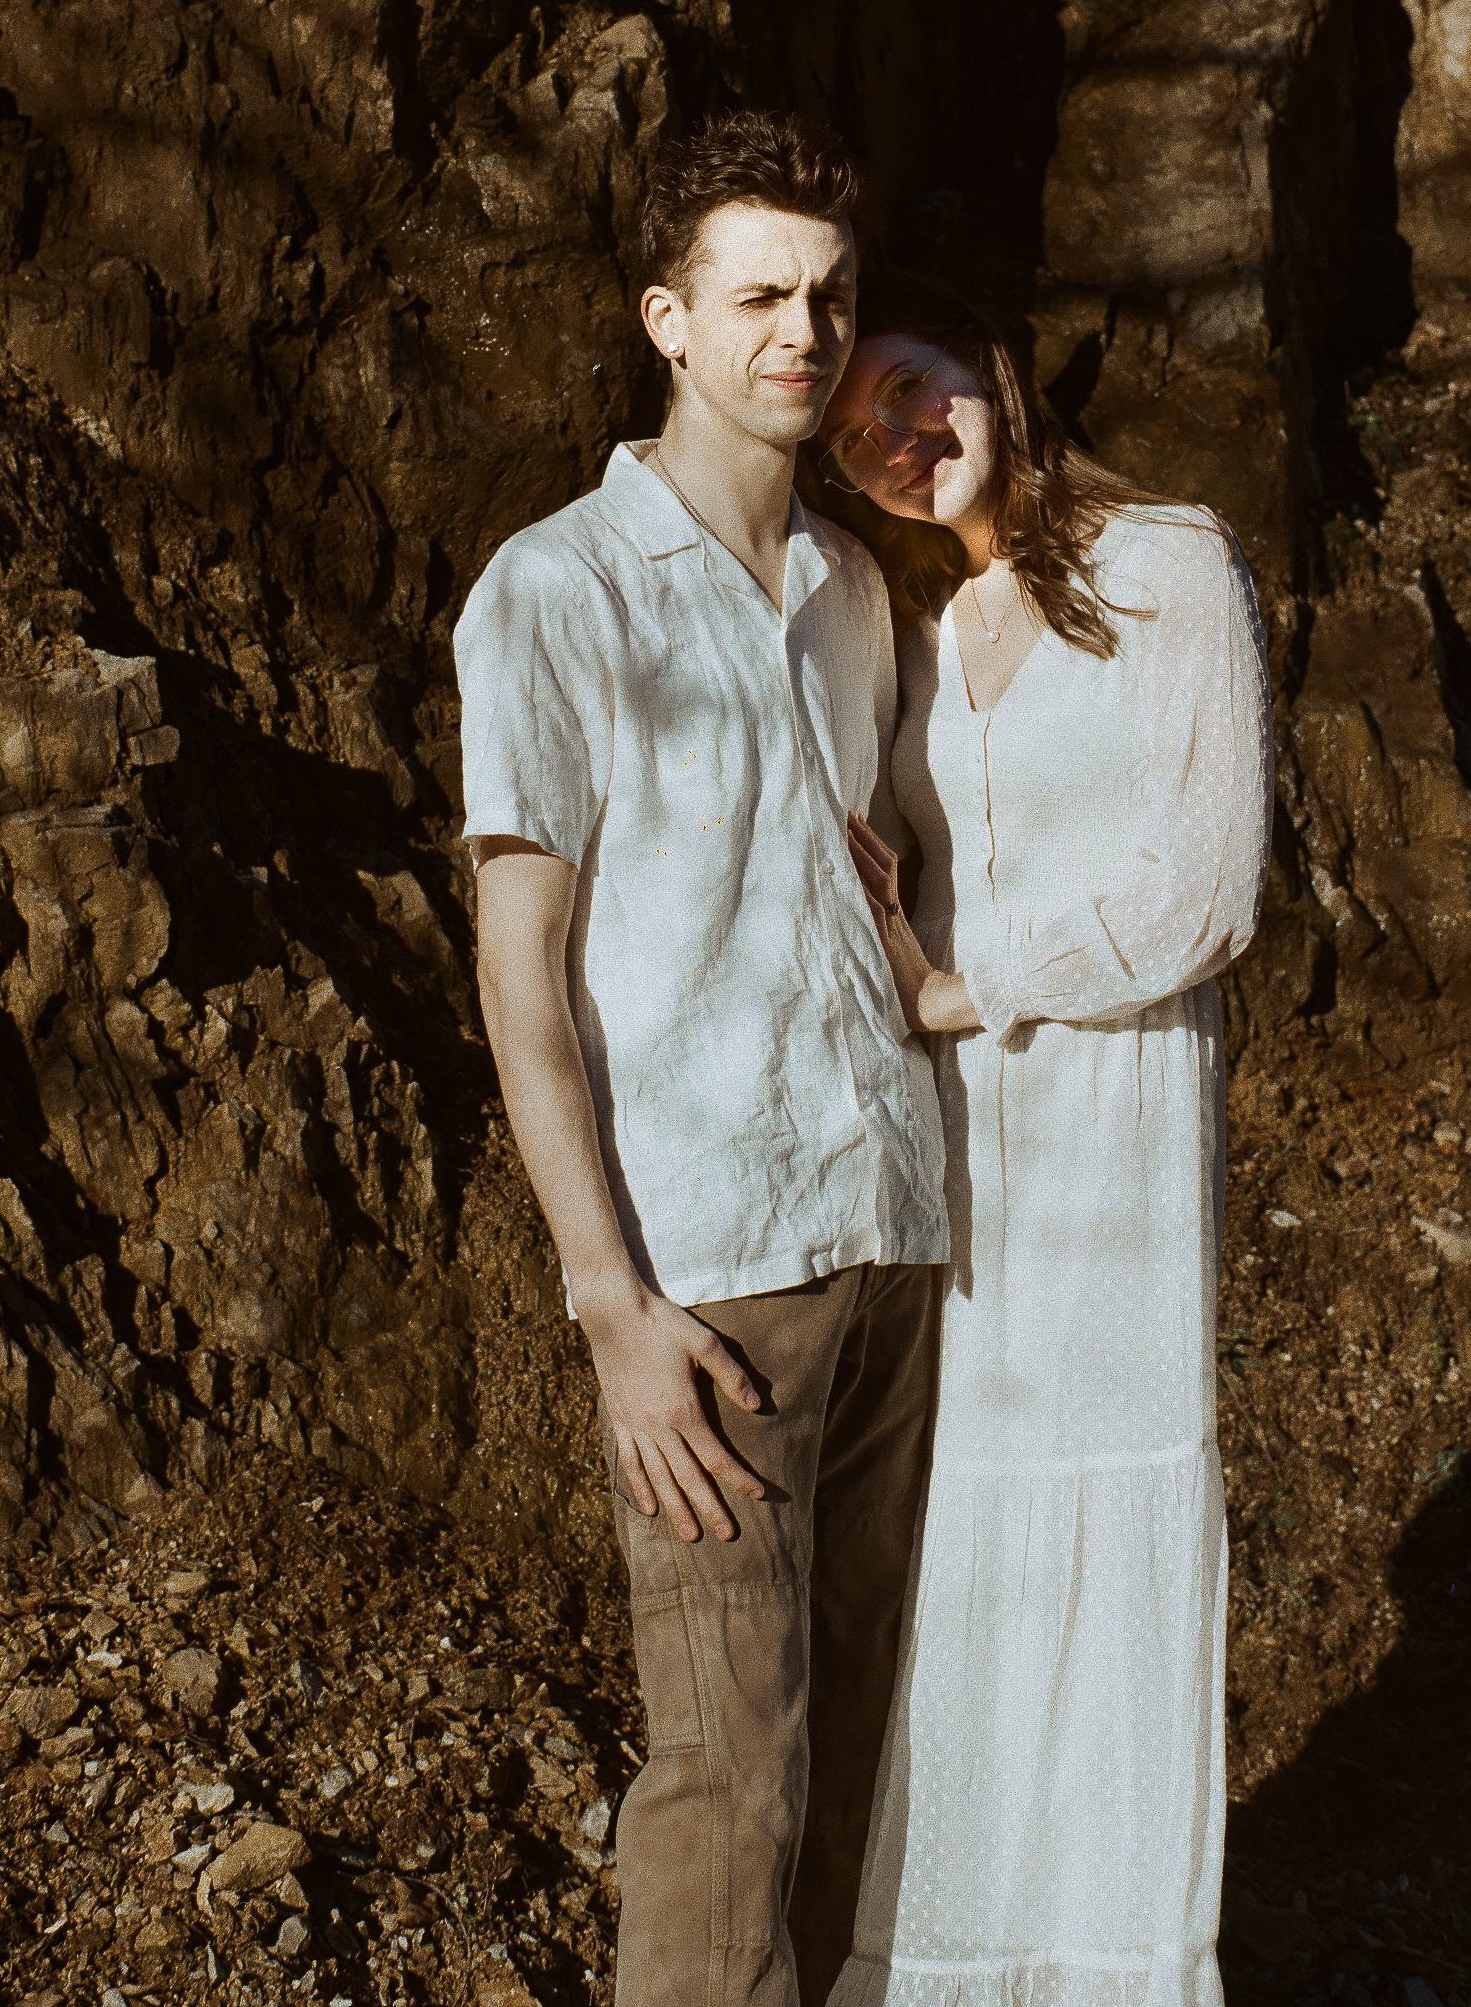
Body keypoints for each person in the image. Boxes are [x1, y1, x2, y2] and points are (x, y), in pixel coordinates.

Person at [453, 113, 949, 2007]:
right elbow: (522, 975)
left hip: (892, 1228)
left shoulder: (853, 592)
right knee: (729, 1778)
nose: (801, 334)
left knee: (865, 1764)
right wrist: (611, 1305)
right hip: (713, 1272)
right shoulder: (559, 587)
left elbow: (858, 901)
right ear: (667, 320)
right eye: (755, 297)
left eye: (828, 294)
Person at [815, 278, 1273, 2007]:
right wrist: (899, 938)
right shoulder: (924, 628)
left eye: (912, 385)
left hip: (1111, 1122)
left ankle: (1107, 1969)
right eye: (855, 431)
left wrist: (967, 988)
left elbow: (1206, 892)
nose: (894, 435)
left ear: (990, 373)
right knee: (967, 1546)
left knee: (1105, 1506)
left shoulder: (1167, 559)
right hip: (962, 1137)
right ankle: (950, 1963)